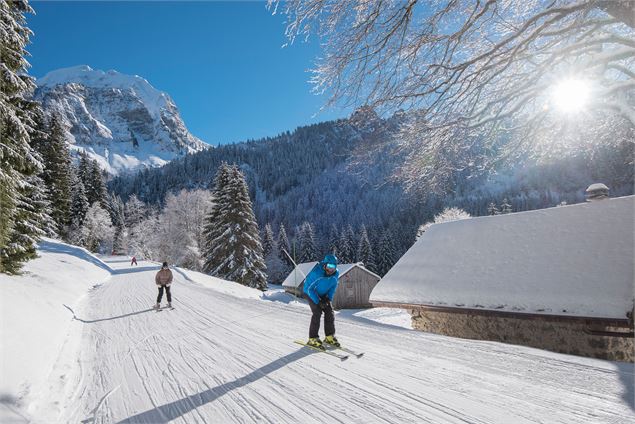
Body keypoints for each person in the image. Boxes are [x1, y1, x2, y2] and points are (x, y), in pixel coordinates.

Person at [303, 254, 340, 349]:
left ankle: (329, 336)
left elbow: (333, 287)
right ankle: (313, 338)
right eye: (329, 266)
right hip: (311, 293)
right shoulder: (316, 273)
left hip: (323, 294)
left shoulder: (335, 274)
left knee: (329, 312)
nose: (331, 269)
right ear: (324, 265)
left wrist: (328, 299)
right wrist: (318, 301)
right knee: (317, 312)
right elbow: (308, 289)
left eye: (333, 267)